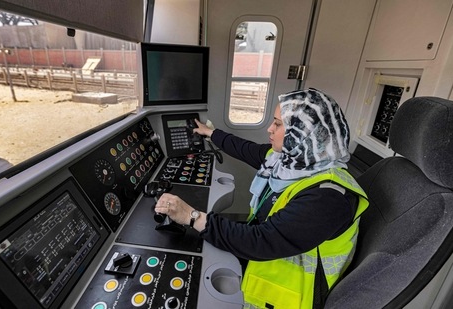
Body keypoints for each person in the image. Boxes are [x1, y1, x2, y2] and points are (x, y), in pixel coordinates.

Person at [154, 88, 369, 309]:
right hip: (266, 266)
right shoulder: (291, 161)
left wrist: (191, 216)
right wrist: (211, 133)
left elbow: (260, 241)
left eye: (277, 123)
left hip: (289, 296)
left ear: (303, 132)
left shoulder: (328, 198)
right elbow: (250, 151)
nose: (269, 129)